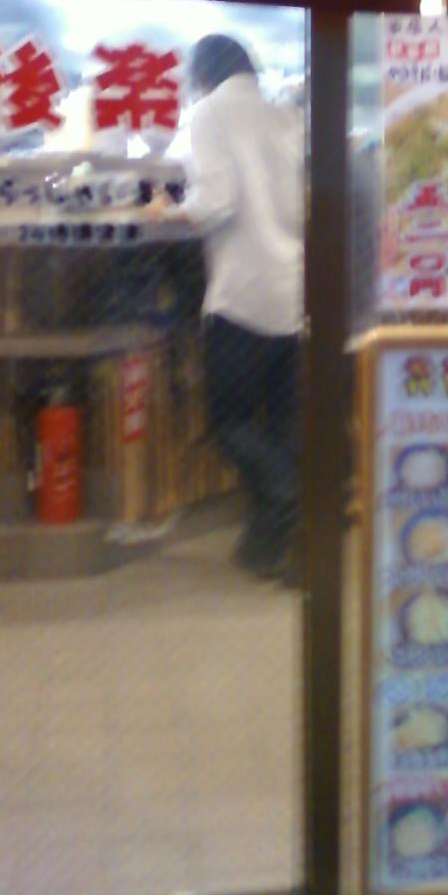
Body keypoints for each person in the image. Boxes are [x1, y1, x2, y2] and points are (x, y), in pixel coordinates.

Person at [175, 34, 304, 579]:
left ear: (203, 74)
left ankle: (289, 494)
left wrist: (170, 212)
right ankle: (268, 548)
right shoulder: (286, 116)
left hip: (240, 294)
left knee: (229, 422)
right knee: (281, 425)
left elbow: (216, 201)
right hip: (292, 292)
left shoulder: (209, 114)